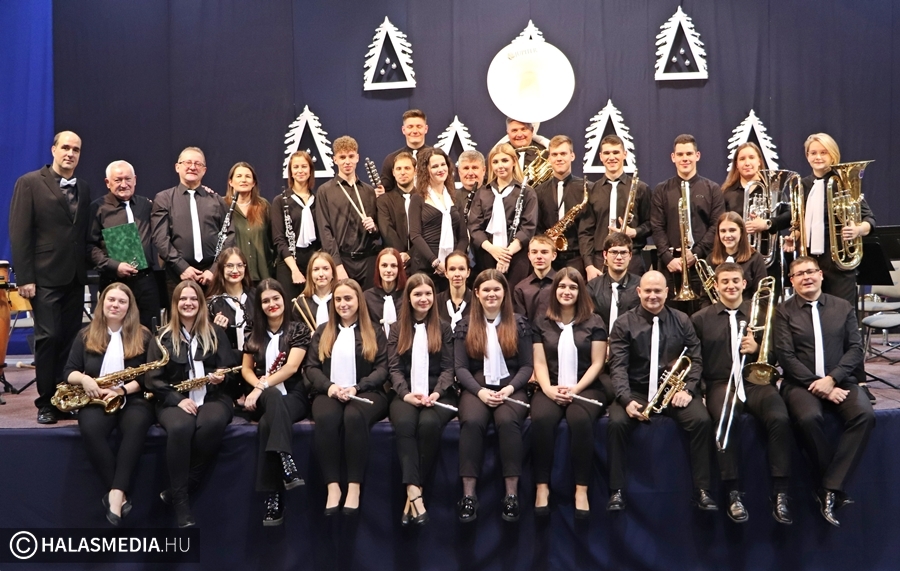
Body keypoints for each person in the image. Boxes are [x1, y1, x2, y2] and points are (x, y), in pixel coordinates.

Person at [774, 256, 875, 527]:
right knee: (808, 418)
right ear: (792, 281)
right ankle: (832, 485)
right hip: (800, 383)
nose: (806, 277)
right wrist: (820, 386)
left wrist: (832, 379)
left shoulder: (843, 307)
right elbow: (785, 356)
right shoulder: (783, 311)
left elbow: (855, 349)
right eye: (799, 274)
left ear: (821, 275)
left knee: (865, 415)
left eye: (810, 272)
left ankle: (829, 486)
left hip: (841, 380)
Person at [691, 263, 793, 524]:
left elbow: (777, 354)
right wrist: (701, 391)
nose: (730, 286)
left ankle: (780, 492)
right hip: (720, 383)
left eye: (735, 281)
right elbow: (695, 359)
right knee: (725, 420)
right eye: (724, 281)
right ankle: (732, 492)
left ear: (744, 284)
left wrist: (758, 348)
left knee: (779, 418)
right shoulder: (700, 318)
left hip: (755, 381)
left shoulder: (763, 313)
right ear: (716, 285)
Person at [606, 270, 716, 512]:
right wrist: (625, 399)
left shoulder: (682, 320)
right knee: (616, 423)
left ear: (667, 292)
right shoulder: (623, 323)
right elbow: (618, 366)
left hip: (673, 391)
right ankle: (616, 490)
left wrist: (688, 390)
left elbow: (695, 359)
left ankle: (702, 490)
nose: (652, 296)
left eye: (658, 291)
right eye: (648, 291)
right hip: (636, 390)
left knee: (701, 421)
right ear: (638, 292)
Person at [9, 131, 91, 424]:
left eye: (76, 149)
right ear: (53, 150)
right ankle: (45, 403)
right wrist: (25, 277)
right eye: (65, 147)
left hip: (74, 277)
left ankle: (63, 400)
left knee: (69, 341)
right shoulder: (29, 182)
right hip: (43, 277)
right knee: (49, 337)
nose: (70, 153)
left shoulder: (84, 187)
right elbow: (19, 232)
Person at [145, 280, 238, 527]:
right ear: (175, 304)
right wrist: (177, 400)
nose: (188, 303)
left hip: (213, 396)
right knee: (180, 427)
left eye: (194, 298)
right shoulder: (161, 337)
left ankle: (183, 486)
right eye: (183, 299)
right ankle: (181, 504)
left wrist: (222, 377)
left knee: (212, 422)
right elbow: (153, 380)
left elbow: (231, 370)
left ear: (201, 303)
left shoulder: (216, 333)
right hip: (172, 399)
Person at [63, 283, 156, 525]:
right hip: (96, 397)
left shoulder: (144, 335)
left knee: (136, 426)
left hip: (132, 396)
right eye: (111, 300)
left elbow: (149, 377)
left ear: (130, 307)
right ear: (102, 303)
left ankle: (115, 495)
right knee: (90, 428)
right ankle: (119, 494)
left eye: (121, 301)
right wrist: (85, 380)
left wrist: (122, 390)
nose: (115, 305)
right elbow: (69, 371)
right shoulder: (86, 334)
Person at [454, 269, 533, 523]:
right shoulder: (465, 325)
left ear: (504, 292)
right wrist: (480, 392)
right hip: (476, 389)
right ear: (476, 293)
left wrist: (509, 389)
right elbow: (460, 368)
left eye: (496, 289)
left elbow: (527, 366)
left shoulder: (519, 323)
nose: (491, 294)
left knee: (508, 422)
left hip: (511, 387)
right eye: (486, 290)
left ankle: (511, 495)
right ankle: (469, 496)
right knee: (472, 422)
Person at [305, 279, 389, 515]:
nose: (343, 304)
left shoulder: (374, 330)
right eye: (338, 299)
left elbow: (383, 369)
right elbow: (311, 367)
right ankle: (332, 486)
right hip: (329, 391)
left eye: (348, 298)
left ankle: (354, 486)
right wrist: (329, 387)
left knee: (353, 416)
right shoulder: (323, 330)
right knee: (326, 417)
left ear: (359, 301)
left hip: (366, 391)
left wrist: (358, 387)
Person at [531, 268, 608, 517]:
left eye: (573, 287)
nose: (567, 291)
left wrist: (576, 389)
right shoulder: (541, 322)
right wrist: (547, 389)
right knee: (541, 420)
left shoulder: (595, 322)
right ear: (555, 290)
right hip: (551, 385)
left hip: (586, 386)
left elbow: (597, 363)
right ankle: (542, 486)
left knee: (580, 420)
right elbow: (539, 362)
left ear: (580, 291)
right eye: (562, 286)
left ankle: (581, 489)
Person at [770, 133, 875, 309]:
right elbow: (798, 220)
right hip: (810, 264)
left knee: (841, 313)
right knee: (810, 314)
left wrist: (858, 230)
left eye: (823, 152)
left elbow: (869, 219)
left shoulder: (844, 183)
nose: (818, 157)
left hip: (838, 264)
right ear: (807, 156)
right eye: (813, 153)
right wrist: (794, 235)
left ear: (833, 154)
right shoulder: (802, 185)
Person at [387, 274, 457, 526]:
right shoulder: (397, 329)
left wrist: (436, 392)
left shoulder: (444, 327)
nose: (424, 298)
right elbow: (394, 368)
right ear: (408, 298)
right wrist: (406, 394)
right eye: (417, 294)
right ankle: (415, 492)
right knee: (405, 424)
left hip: (438, 392)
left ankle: (413, 494)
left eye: (428, 293)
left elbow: (449, 368)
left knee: (428, 424)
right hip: (405, 393)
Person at [240, 279, 311, 526]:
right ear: (259, 305)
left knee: (266, 425)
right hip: (264, 397)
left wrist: (260, 386)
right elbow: (246, 369)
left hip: (293, 394)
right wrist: (258, 387)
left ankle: (274, 496)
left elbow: (292, 368)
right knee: (271, 397)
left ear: (284, 299)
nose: (272, 304)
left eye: (276, 298)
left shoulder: (298, 329)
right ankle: (286, 462)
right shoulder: (252, 331)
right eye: (266, 301)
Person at [650, 134, 725, 313]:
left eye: (689, 154)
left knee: (703, 315)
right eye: (680, 154)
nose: (685, 158)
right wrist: (668, 258)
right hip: (671, 266)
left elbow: (716, 226)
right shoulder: (661, 190)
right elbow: (657, 226)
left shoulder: (713, 189)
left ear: (697, 156)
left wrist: (696, 253)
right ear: (673, 157)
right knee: (670, 317)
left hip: (703, 263)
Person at [88, 160, 162, 331]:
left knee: (149, 331)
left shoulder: (146, 205)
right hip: (113, 281)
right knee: (114, 331)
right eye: (118, 180)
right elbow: (89, 247)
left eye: (128, 179)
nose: (124, 184)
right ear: (107, 182)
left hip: (145, 281)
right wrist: (115, 266)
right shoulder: (98, 208)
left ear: (135, 180)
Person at [151, 147, 233, 291]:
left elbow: (230, 235)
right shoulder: (164, 199)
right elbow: (161, 239)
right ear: (177, 167)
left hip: (212, 276)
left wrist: (215, 269)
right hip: (177, 274)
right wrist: (181, 267)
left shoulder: (217, 200)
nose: (193, 167)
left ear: (204, 170)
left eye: (198, 164)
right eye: (187, 162)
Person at [579, 135, 651, 279]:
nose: (611, 157)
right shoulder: (592, 190)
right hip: (599, 259)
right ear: (601, 157)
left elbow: (652, 223)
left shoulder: (641, 188)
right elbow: (585, 232)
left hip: (631, 258)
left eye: (616, 152)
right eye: (607, 153)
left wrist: (634, 232)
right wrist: (588, 265)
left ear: (625, 154)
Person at [468, 143, 538, 289]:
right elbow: (474, 227)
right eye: (495, 162)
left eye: (505, 160)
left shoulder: (527, 192)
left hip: (517, 257)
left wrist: (506, 255)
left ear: (514, 162)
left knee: (514, 296)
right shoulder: (482, 192)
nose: (500, 166)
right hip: (487, 256)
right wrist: (493, 250)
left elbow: (528, 227)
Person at [315, 136, 381, 288]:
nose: (347, 161)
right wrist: (337, 264)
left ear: (357, 158)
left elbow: (378, 232)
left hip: (368, 260)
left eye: (351, 156)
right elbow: (325, 230)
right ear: (335, 160)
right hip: (342, 260)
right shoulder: (325, 191)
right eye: (342, 157)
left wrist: (374, 228)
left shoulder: (369, 191)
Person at [409, 148, 468, 289]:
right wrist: (434, 261)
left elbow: (463, 237)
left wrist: (453, 263)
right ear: (426, 170)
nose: (441, 169)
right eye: (435, 166)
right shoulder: (417, 198)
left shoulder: (455, 197)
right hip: (425, 267)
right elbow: (415, 235)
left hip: (451, 271)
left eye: (443, 164)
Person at [534, 135, 589, 275]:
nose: (559, 158)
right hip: (548, 258)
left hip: (577, 257)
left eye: (563, 154)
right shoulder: (538, 191)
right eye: (554, 154)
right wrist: (545, 240)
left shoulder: (586, 188)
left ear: (572, 156)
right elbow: (536, 227)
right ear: (549, 158)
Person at [271, 150, 319, 304]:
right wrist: (294, 270)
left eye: (304, 166)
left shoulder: (318, 199)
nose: (300, 171)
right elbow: (279, 239)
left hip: (313, 262)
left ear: (310, 170)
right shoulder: (280, 201)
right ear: (290, 172)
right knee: (291, 308)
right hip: (288, 262)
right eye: (296, 167)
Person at [224, 162, 273, 284]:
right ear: (230, 182)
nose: (243, 180)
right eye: (239, 176)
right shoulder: (222, 205)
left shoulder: (263, 206)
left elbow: (273, 239)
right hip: (233, 276)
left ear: (254, 182)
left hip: (262, 275)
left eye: (248, 176)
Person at [206, 248, 255, 365]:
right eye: (229, 266)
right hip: (227, 364)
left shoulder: (256, 296)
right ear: (221, 268)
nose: (235, 270)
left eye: (240, 265)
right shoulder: (212, 304)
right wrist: (217, 330)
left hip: (256, 362)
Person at [586, 233, 641, 333]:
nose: (619, 257)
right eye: (614, 252)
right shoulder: (592, 286)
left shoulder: (641, 286)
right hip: (600, 338)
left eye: (623, 252)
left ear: (630, 255)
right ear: (605, 255)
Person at [707, 212, 767, 299]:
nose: (727, 235)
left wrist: (736, 307)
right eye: (723, 231)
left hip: (748, 307)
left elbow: (762, 296)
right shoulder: (711, 259)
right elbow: (705, 298)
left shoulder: (756, 258)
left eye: (732, 230)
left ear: (741, 232)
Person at [377, 152, 417, 273]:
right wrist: (400, 255)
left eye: (407, 168)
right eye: (398, 169)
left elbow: (428, 231)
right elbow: (387, 230)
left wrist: (410, 254)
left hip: (420, 260)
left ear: (415, 171)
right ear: (393, 172)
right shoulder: (384, 200)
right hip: (394, 263)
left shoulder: (426, 199)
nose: (402, 172)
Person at [380, 109, 431, 194]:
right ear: (403, 130)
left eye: (419, 126)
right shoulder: (391, 159)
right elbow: (385, 192)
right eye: (410, 127)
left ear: (426, 129)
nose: (415, 131)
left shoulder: (436, 157)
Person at [364, 248, 407, 336]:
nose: (389, 270)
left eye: (393, 266)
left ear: (399, 268)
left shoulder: (407, 295)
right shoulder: (367, 297)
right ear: (378, 268)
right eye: (384, 265)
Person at [512, 235, 557, 321]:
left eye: (544, 252)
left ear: (553, 256)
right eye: (534, 252)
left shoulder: (562, 284)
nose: (539, 256)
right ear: (529, 256)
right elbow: (520, 322)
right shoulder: (520, 288)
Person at [292, 251, 336, 331]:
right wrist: (307, 336)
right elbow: (297, 333)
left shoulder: (340, 300)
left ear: (333, 273)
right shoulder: (301, 303)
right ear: (310, 274)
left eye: (325, 269)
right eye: (316, 269)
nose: (321, 274)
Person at [721, 142, 765, 215]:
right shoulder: (726, 192)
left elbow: (785, 215)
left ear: (759, 161)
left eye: (751, 158)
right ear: (737, 164)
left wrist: (768, 221)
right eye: (742, 159)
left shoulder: (771, 190)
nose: (747, 163)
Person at [436, 250, 472, 332]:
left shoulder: (477, 301)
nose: (457, 274)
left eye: (461, 269)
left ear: (468, 272)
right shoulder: (436, 301)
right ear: (446, 273)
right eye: (452, 269)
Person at [455, 150, 486, 222]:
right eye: (466, 168)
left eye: (475, 168)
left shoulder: (494, 196)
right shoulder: (451, 198)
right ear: (459, 172)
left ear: (484, 170)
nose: (470, 173)